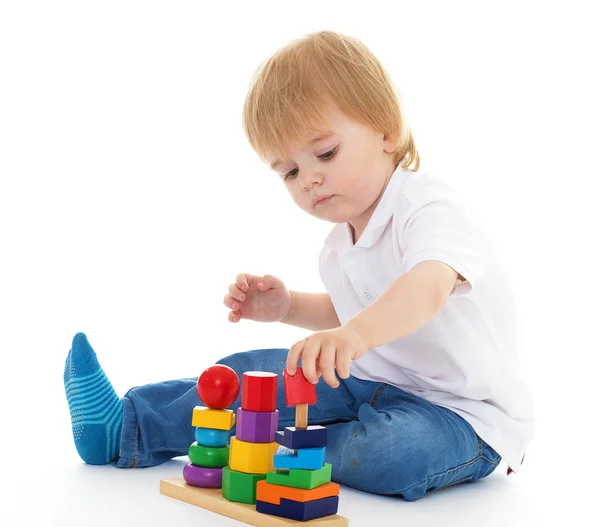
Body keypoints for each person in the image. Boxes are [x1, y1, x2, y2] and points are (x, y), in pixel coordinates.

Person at [64, 30, 535, 501]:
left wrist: (352, 338)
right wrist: (287, 308)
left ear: (386, 131)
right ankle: (128, 426)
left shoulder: (428, 207)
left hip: (463, 417)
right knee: (250, 376)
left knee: (393, 451)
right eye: (288, 171)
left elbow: (425, 288)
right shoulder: (338, 244)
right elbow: (349, 310)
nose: (308, 178)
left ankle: (267, 448)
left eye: (325, 153)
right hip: (366, 386)